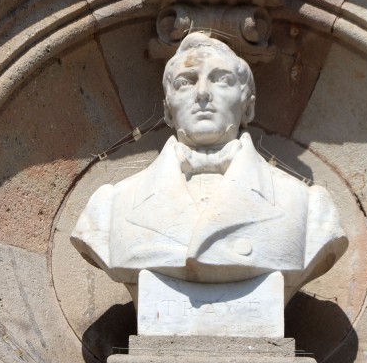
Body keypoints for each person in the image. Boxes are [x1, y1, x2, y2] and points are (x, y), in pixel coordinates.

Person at [71, 32, 347, 304]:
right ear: (167, 110)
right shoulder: (110, 207)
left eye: (222, 80)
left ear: (248, 108)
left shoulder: (310, 209)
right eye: (186, 82)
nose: (202, 93)